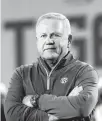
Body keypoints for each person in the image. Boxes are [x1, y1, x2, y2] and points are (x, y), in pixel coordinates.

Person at [4, 13, 98, 121]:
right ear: (37, 41)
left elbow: (83, 107)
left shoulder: (84, 72)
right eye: (43, 36)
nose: (49, 41)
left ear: (69, 40)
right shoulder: (22, 74)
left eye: (56, 35)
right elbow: (11, 114)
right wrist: (49, 117)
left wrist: (36, 100)